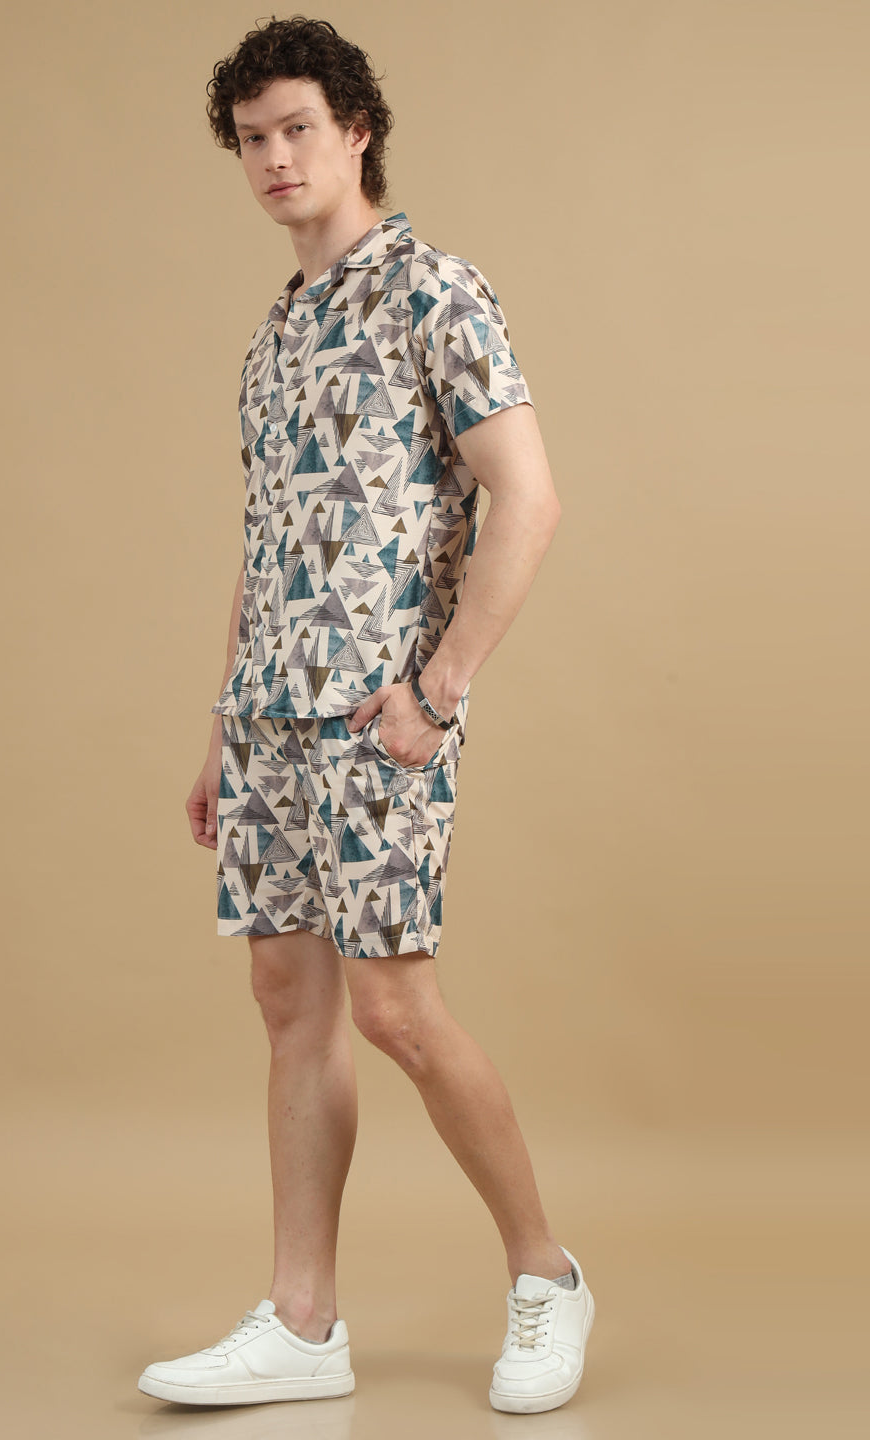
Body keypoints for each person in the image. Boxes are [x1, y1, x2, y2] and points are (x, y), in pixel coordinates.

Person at [138, 15, 595, 1416]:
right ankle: (302, 1320)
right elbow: (267, 541)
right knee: (289, 1005)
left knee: (395, 1009)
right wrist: (221, 723)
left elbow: (528, 498)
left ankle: (546, 1276)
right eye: (251, 139)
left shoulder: (433, 292)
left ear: (356, 131)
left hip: (376, 722)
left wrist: (439, 688)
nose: (275, 157)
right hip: (268, 724)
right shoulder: (275, 336)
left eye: (297, 129)